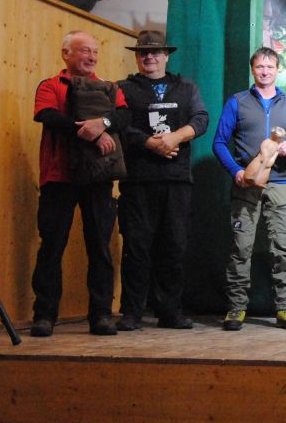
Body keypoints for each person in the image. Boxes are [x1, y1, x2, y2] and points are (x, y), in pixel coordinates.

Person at [30, 30, 128, 337]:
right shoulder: (50, 85)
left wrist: (103, 123)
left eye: (95, 52)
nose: (91, 57)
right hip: (58, 178)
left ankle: (101, 315)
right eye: (84, 50)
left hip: (98, 179)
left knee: (100, 247)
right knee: (51, 247)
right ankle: (44, 315)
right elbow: (48, 116)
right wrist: (91, 133)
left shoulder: (109, 88)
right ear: (66, 54)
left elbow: (123, 118)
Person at [212, 46, 286, 331]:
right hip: (247, 184)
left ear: (278, 70)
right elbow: (219, 143)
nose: (265, 71)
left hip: (280, 184)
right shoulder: (238, 102)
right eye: (259, 67)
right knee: (241, 248)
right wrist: (237, 171)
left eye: (270, 67)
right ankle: (236, 308)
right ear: (252, 70)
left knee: (283, 249)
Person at [115, 30, 209, 331]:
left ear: (166, 56)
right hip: (137, 180)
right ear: (137, 56)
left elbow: (201, 119)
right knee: (136, 247)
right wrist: (149, 143)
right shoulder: (123, 89)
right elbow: (120, 126)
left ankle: (170, 311)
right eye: (143, 52)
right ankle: (132, 312)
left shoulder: (187, 87)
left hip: (176, 180)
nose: (149, 57)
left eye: (155, 52)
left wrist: (174, 138)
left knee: (174, 246)